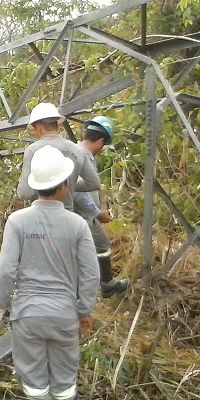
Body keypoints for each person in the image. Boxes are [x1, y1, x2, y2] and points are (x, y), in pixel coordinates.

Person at [0, 145, 99, 400]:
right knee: (65, 383)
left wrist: (1, 305)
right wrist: (84, 310)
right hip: (65, 315)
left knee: (33, 384)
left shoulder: (17, 221)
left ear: (35, 186)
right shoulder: (77, 224)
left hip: (27, 315)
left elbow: (5, 271)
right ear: (64, 185)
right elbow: (91, 274)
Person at [73, 116, 129, 298]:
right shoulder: (81, 156)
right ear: (100, 142)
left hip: (85, 215)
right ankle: (102, 284)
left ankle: (99, 284)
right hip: (82, 216)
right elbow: (77, 192)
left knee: (93, 247)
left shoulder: (81, 154)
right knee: (99, 246)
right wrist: (97, 212)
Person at [16, 102, 100, 212]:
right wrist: (68, 185)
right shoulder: (77, 149)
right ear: (57, 124)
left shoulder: (32, 150)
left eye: (34, 129)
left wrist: (43, 185)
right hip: (68, 214)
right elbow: (93, 183)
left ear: (39, 127)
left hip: (41, 215)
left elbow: (24, 193)